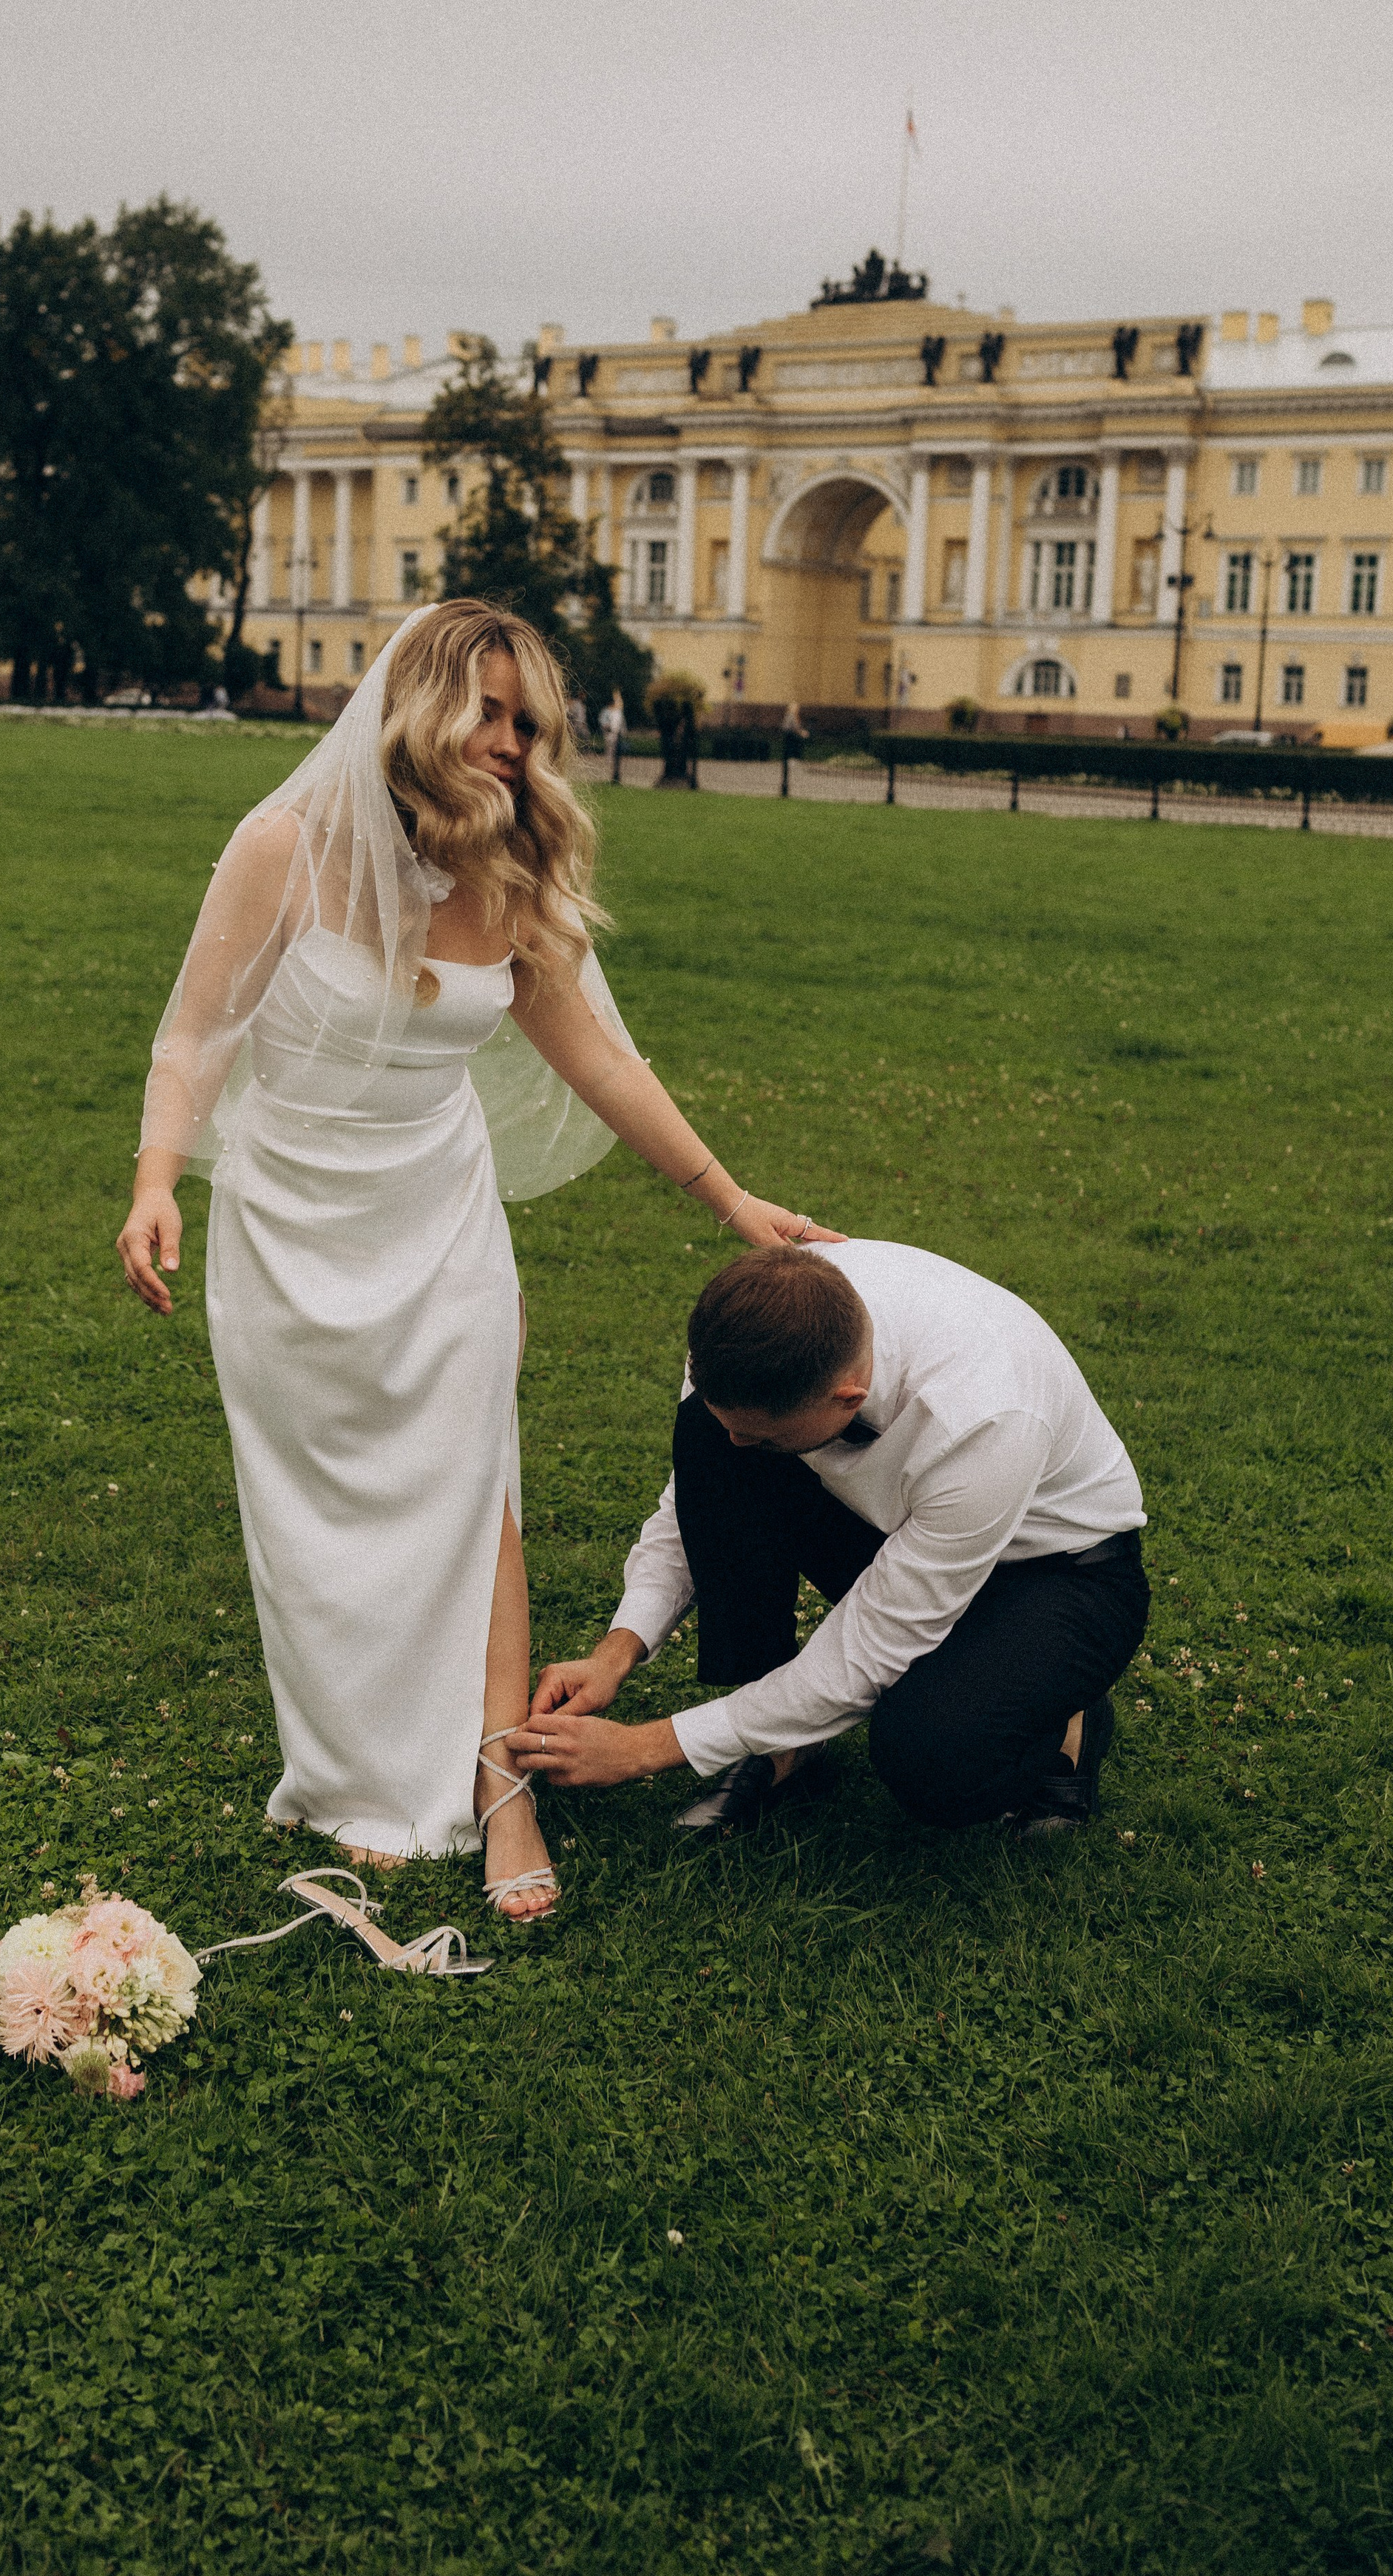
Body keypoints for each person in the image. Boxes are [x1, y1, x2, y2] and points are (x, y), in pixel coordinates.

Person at [116, 600, 835, 1922]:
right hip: (287, 1227)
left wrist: (731, 1197)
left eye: (527, 722)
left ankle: (501, 1785)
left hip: (440, 1219)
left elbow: (605, 1061)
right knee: (317, 1518)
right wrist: (158, 1178)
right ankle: (351, 1773)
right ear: (419, 706)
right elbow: (194, 1038)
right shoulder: (283, 847)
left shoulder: (509, 877)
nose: (512, 743)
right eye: (489, 713)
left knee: (476, 1486)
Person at [515, 1241, 1148, 1837]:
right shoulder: (749, 1334)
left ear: (847, 1395)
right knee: (712, 1443)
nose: (742, 1449)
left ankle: (1069, 1717)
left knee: (932, 1757)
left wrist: (642, 1749)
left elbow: (866, 1654)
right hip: (904, 1526)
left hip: (1057, 1572)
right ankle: (786, 1745)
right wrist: (615, 1652)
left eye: (762, 1437)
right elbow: (697, 1502)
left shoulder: (983, 1415)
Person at [598, 689, 626, 783]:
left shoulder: (618, 712)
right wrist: (606, 726)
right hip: (609, 733)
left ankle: (613, 761)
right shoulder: (607, 711)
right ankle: (609, 759)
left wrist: (623, 731)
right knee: (610, 746)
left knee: (616, 747)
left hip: (616, 733)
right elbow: (602, 721)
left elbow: (622, 723)